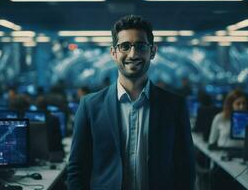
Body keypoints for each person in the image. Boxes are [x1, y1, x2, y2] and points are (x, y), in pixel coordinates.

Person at [67, 15, 195, 190]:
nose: (133, 54)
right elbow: (77, 169)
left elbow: (185, 168)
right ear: (114, 52)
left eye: (141, 46)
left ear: (152, 51)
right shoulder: (90, 106)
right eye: (125, 46)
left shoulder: (174, 106)